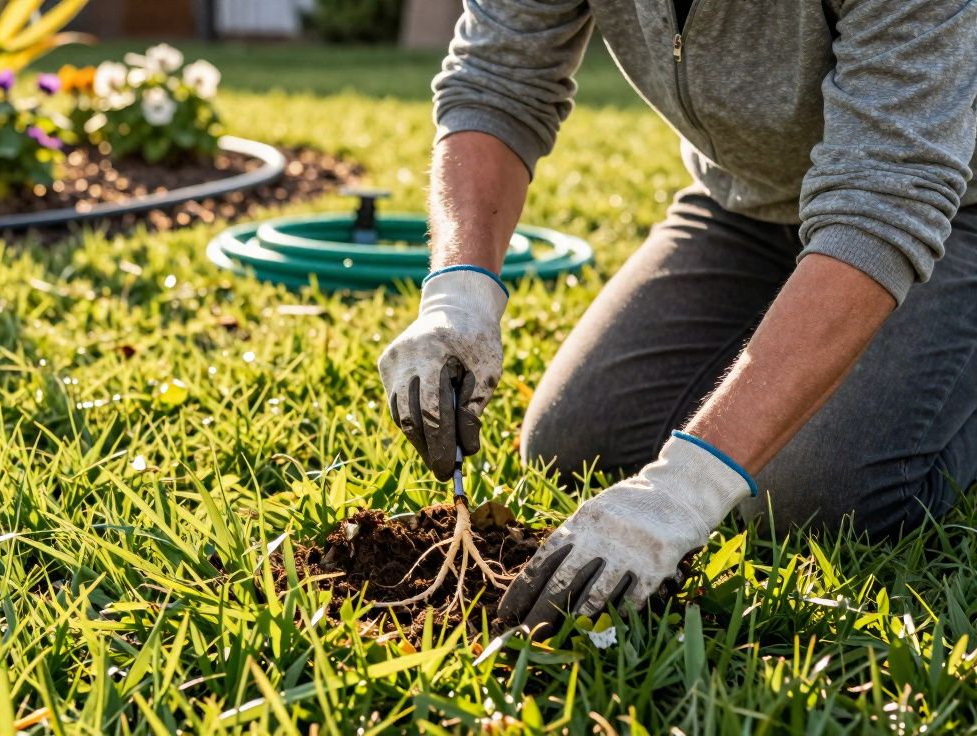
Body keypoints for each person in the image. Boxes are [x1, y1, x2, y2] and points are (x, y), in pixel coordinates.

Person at [378, 0, 977, 636]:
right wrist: (459, 289)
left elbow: (884, 202)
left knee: (808, 499)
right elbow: (497, 81)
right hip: (745, 202)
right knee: (578, 441)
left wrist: (689, 485)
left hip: (950, 209)